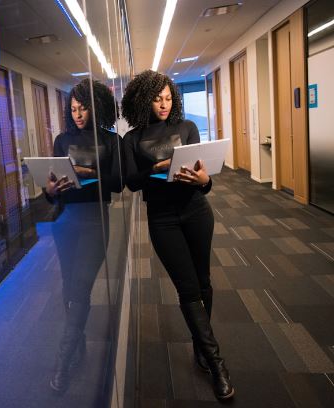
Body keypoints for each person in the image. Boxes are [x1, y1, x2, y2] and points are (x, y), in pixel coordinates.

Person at [120, 70, 234, 400]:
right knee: (187, 288)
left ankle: (201, 346)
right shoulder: (132, 138)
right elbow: (131, 181)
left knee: (203, 282)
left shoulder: (187, 128)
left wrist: (204, 181)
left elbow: (205, 178)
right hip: (162, 218)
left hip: (196, 211)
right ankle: (216, 364)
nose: (164, 104)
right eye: (157, 99)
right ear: (143, 100)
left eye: (169, 98)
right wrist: (156, 168)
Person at [44, 78, 122, 393]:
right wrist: (50, 191)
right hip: (66, 221)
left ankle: (63, 361)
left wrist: (88, 174)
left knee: (80, 288)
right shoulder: (62, 140)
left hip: (94, 222)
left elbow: (117, 185)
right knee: (69, 289)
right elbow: (54, 191)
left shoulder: (110, 140)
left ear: (96, 105)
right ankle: (79, 345)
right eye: (73, 109)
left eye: (83, 107)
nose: (78, 114)